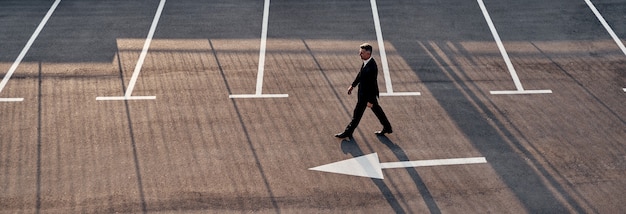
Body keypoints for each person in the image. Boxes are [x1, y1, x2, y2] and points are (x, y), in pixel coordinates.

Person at [335, 43, 392, 139]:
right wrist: (353, 85)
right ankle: (387, 127)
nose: (359, 54)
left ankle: (348, 132)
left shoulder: (372, 67)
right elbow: (360, 74)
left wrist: (369, 101)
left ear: (368, 54)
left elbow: (371, 85)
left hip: (367, 96)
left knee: (357, 114)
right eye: (360, 52)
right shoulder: (367, 62)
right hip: (365, 94)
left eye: (362, 53)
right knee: (377, 111)